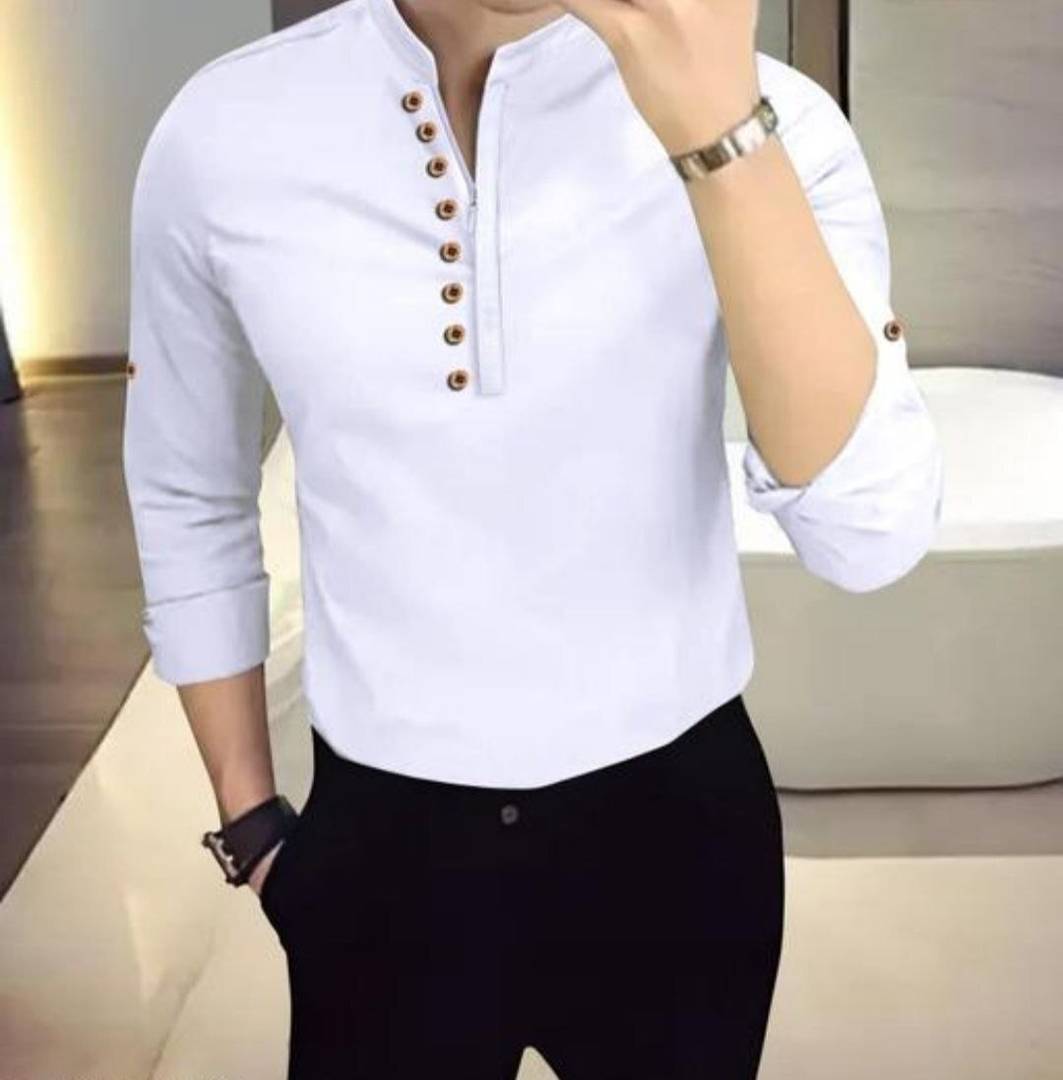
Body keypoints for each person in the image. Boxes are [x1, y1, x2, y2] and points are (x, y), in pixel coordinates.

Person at [121, 0, 944, 1076]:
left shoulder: (775, 120)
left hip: (678, 844)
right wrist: (253, 827)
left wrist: (719, 132)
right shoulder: (225, 132)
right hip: (379, 842)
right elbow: (186, 491)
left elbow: (868, 537)